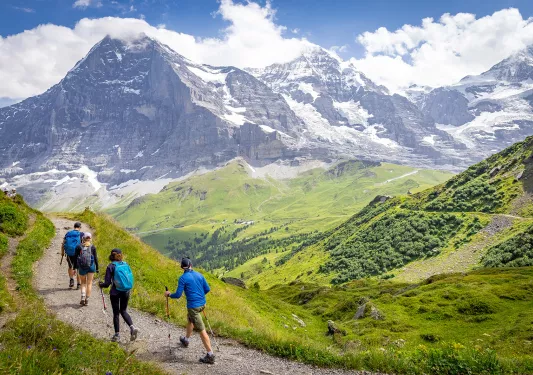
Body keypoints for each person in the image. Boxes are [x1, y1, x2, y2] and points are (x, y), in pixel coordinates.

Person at [164, 257, 215, 364]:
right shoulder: (199, 275)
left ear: (182, 267)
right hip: (202, 304)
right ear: (191, 265)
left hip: (193, 307)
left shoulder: (183, 278)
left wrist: (169, 295)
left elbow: (178, 295)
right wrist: (200, 297)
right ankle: (186, 339)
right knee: (190, 320)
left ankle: (210, 355)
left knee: (202, 330)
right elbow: (207, 289)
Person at [99, 248, 139, 342]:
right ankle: (132, 327)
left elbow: (107, 283)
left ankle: (117, 335)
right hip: (126, 291)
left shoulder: (111, 266)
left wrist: (101, 284)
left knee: (116, 313)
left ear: (111, 256)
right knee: (123, 310)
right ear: (120, 255)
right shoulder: (125, 264)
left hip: (115, 292)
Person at [75, 232, 98, 306]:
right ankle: (87, 299)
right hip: (91, 266)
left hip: (82, 267)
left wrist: (75, 267)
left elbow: (76, 258)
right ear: (90, 238)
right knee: (89, 283)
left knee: (83, 283)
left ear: (83, 238)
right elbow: (96, 259)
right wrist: (97, 268)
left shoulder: (78, 246)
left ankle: (82, 297)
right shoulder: (93, 247)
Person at [62, 222, 84, 289]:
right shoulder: (81, 234)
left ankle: (71, 279)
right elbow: (83, 245)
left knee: (70, 266)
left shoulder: (68, 233)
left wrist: (62, 253)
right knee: (78, 269)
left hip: (69, 253)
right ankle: (78, 284)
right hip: (78, 254)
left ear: (74, 226)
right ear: (79, 227)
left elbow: (63, 243)